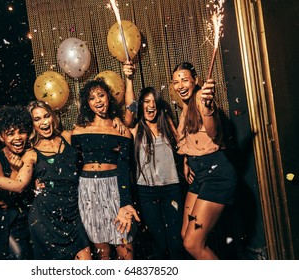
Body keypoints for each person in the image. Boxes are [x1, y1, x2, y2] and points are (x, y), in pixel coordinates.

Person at [0, 101, 92, 260]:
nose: (43, 122)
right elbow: (15, 188)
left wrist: (118, 122)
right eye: (37, 119)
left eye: (46, 116)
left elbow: (95, 139)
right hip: (39, 220)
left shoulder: (67, 137)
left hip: (73, 214)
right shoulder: (29, 154)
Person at [172, 62, 237, 259]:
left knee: (192, 243)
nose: (180, 85)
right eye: (175, 82)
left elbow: (213, 132)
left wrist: (207, 107)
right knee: (185, 235)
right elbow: (190, 139)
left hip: (216, 174)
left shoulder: (202, 99)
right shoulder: (186, 107)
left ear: (196, 81)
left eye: (185, 80)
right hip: (199, 175)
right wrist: (186, 161)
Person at [71, 78, 140, 260]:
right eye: (92, 98)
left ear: (108, 98)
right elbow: (72, 166)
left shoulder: (122, 130)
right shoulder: (78, 131)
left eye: (101, 95)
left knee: (125, 250)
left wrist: (125, 202)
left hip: (115, 188)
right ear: (87, 104)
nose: (98, 101)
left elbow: (124, 168)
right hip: (88, 190)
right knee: (103, 255)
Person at [122, 62, 184, 260]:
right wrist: (129, 80)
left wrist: (186, 163)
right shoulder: (135, 130)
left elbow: (183, 147)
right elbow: (130, 108)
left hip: (171, 189)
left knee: (176, 243)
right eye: (146, 101)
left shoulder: (168, 125)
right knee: (158, 244)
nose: (151, 105)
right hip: (146, 192)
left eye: (154, 101)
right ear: (141, 105)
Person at [0, 105, 33, 259]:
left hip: (30, 217)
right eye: (11, 134)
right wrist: (14, 170)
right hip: (8, 222)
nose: (17, 138)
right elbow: (3, 202)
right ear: (1, 137)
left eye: (21, 132)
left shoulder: (29, 155)